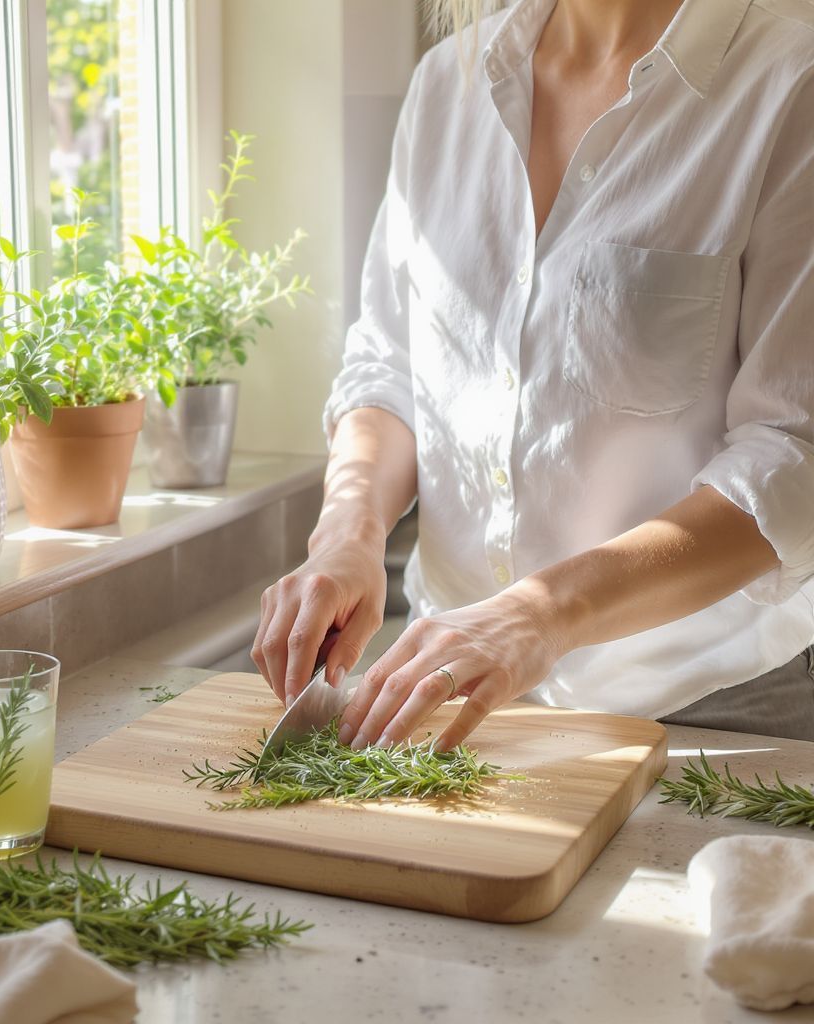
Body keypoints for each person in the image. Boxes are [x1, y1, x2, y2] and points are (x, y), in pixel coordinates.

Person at [251, 0, 814, 750]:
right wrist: (347, 534)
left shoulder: (790, 83)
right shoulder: (446, 85)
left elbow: (792, 456)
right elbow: (390, 366)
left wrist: (543, 613)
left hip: (705, 709)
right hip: (449, 701)